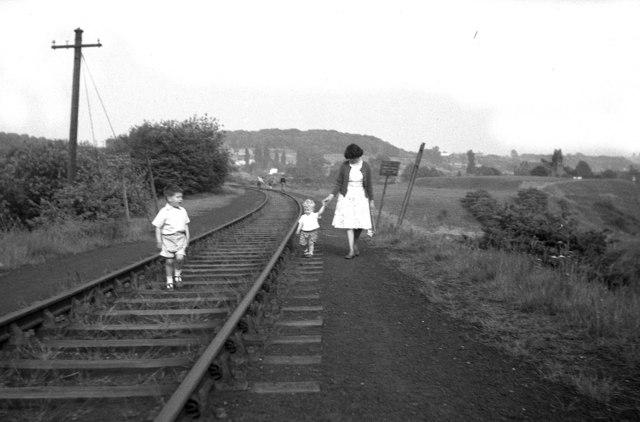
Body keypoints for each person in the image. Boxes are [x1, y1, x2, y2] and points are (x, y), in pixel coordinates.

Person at [323, 143, 374, 259]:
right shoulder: (344, 166)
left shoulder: (366, 166)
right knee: (349, 224)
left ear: (359, 155)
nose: (352, 160)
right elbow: (339, 183)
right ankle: (351, 250)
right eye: (350, 158)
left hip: (361, 196)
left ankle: (355, 243)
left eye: (354, 158)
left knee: (360, 224)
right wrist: (331, 196)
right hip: (347, 196)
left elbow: (369, 185)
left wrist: (372, 200)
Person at [152, 185, 190, 289]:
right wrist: (159, 241)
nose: (181, 199)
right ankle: (169, 280)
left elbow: (186, 225)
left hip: (180, 238)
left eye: (181, 197)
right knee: (169, 261)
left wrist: (188, 238)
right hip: (168, 239)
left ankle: (177, 274)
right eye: (178, 197)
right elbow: (158, 227)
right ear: (169, 198)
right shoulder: (164, 212)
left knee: (179, 258)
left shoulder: (183, 210)